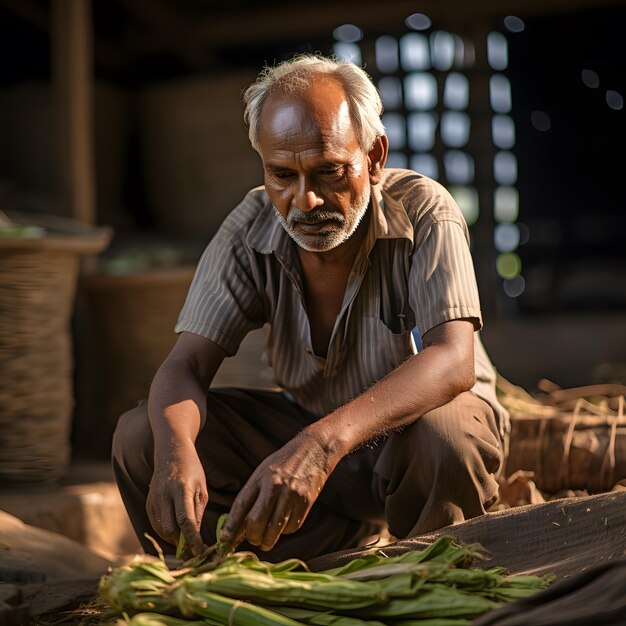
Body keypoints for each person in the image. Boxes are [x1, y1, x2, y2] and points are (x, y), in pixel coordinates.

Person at [112, 54, 508, 563]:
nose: (306, 200)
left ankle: (431, 573)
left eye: (329, 172)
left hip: (412, 443)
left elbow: (454, 360)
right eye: (282, 175)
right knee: (143, 435)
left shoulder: (424, 211)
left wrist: (320, 446)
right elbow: (185, 365)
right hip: (310, 438)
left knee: (445, 439)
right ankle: (293, 562)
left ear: (375, 156)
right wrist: (173, 455)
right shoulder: (249, 228)